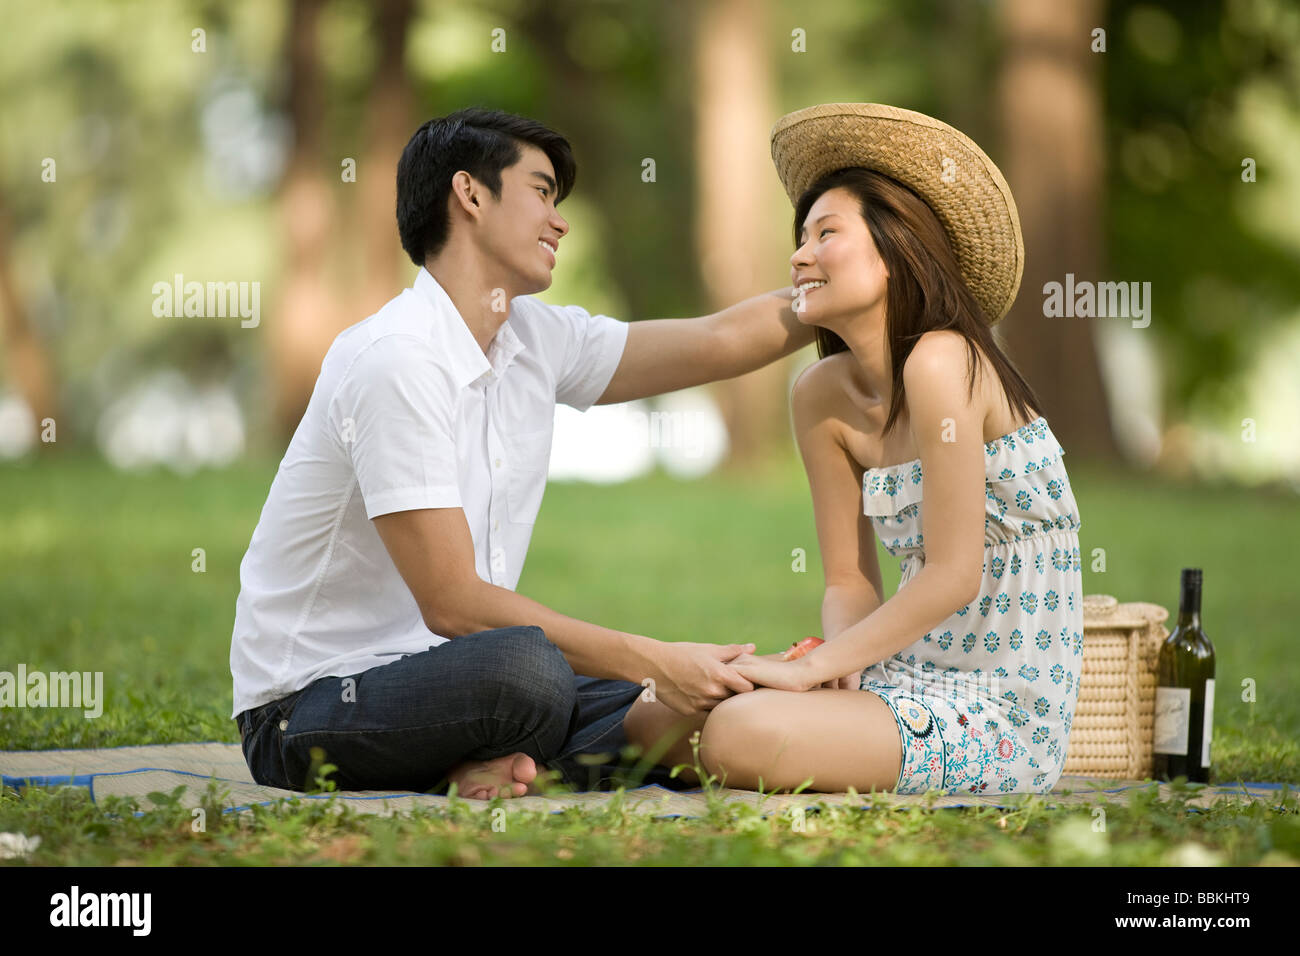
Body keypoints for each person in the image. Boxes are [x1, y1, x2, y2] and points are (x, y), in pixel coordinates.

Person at [231, 107, 814, 799]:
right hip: (309, 712)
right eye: (542, 192)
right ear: (470, 194)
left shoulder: (535, 339)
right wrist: (654, 660)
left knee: (690, 708)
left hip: (455, 681)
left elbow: (717, 342)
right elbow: (454, 604)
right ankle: (525, 754)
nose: (560, 220)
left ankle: (494, 766)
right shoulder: (395, 359)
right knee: (533, 671)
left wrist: (839, 279)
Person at [698, 103, 1085, 796]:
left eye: (827, 233)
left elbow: (953, 574)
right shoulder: (820, 395)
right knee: (670, 711)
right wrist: (841, 662)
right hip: (900, 675)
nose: (799, 255)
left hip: (999, 713)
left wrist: (812, 673)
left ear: (895, 251)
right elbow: (849, 581)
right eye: (800, 235)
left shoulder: (943, 362)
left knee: (735, 731)